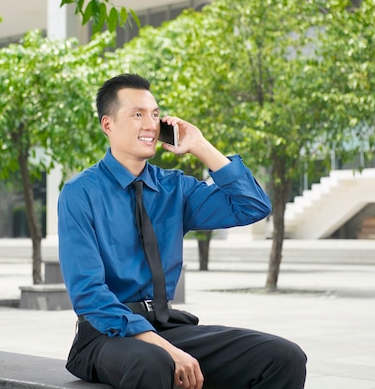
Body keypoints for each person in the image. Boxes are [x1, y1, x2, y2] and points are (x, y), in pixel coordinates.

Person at [57, 74, 307, 389]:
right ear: (107, 125)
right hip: (105, 336)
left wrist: (200, 146)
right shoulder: (80, 192)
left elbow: (253, 206)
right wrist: (163, 347)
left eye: (155, 114)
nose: (150, 124)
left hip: (166, 326)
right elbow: (88, 294)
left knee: (284, 356)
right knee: (154, 361)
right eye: (137, 114)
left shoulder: (175, 188)